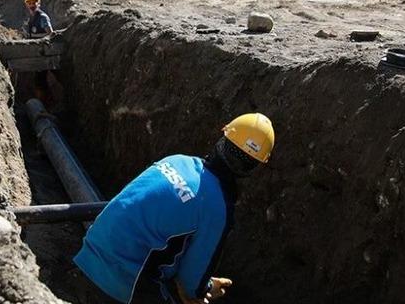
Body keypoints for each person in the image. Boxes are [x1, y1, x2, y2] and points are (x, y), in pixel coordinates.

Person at [74, 113, 276, 304]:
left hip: (89, 254)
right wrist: (201, 288)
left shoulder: (177, 160)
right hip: (120, 282)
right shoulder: (218, 208)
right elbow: (190, 283)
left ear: (223, 137)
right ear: (252, 167)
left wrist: (203, 282)